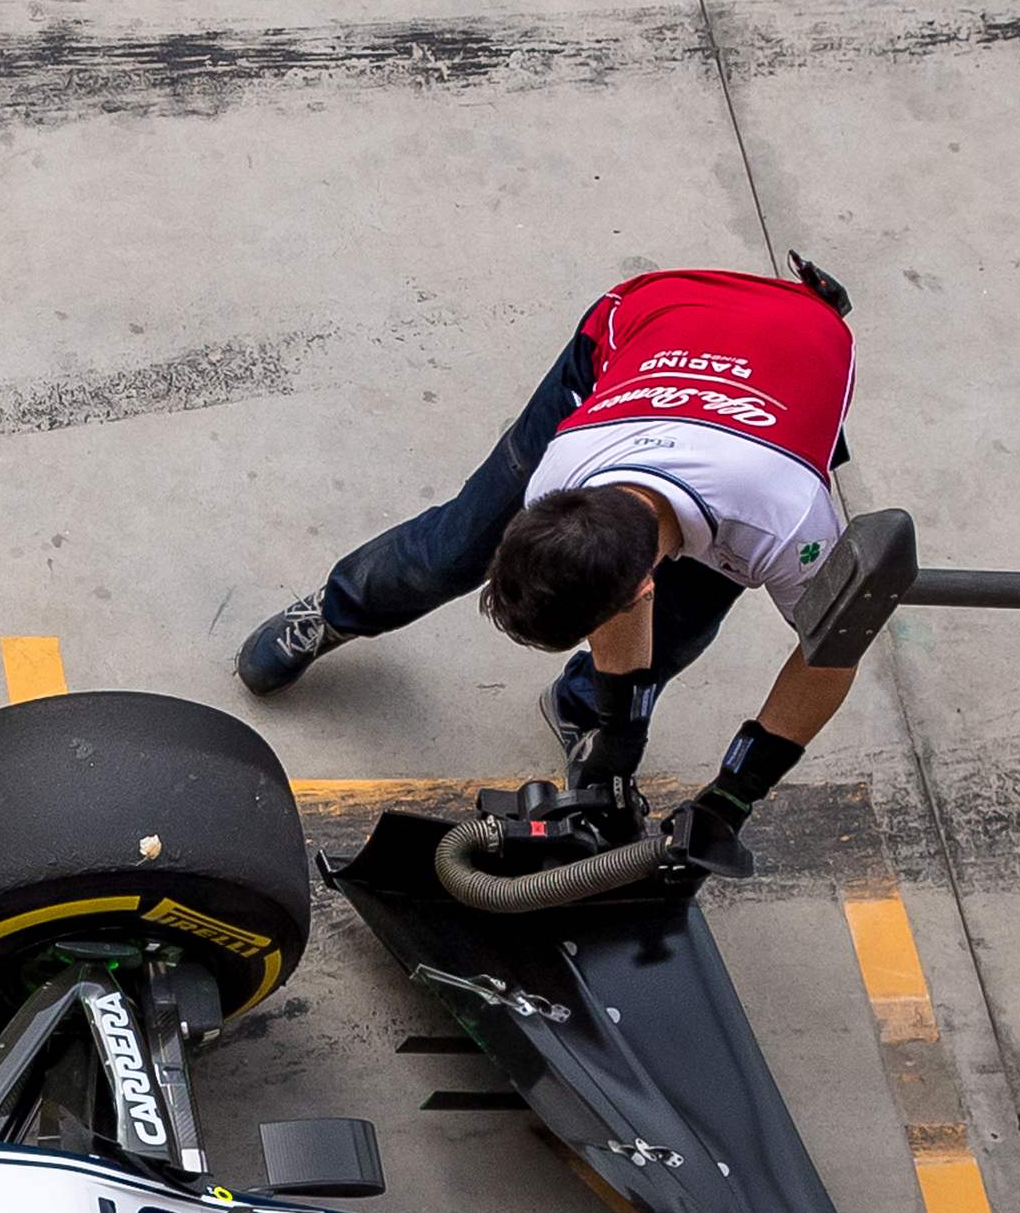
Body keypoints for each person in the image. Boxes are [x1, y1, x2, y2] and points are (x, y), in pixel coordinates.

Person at [231, 259, 866, 875]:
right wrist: (624, 724)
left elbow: (831, 655)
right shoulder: (563, 467)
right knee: (455, 550)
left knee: (681, 626)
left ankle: (584, 706)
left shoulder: (785, 526)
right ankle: (334, 610)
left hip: (797, 348)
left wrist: (737, 791)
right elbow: (600, 582)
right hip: (655, 318)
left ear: (638, 587)